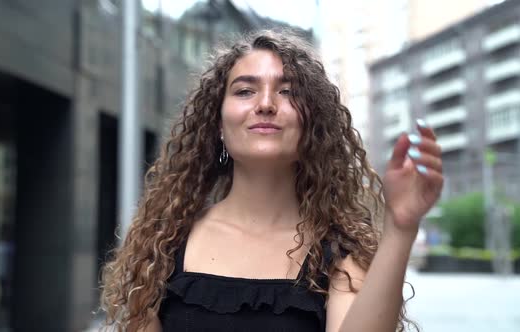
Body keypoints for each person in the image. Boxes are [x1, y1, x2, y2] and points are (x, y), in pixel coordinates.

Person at [100, 30, 443, 332]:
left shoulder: (339, 256)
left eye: (288, 92)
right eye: (245, 91)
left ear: (312, 126)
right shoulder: (162, 247)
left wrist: (401, 227)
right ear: (218, 124)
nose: (265, 104)